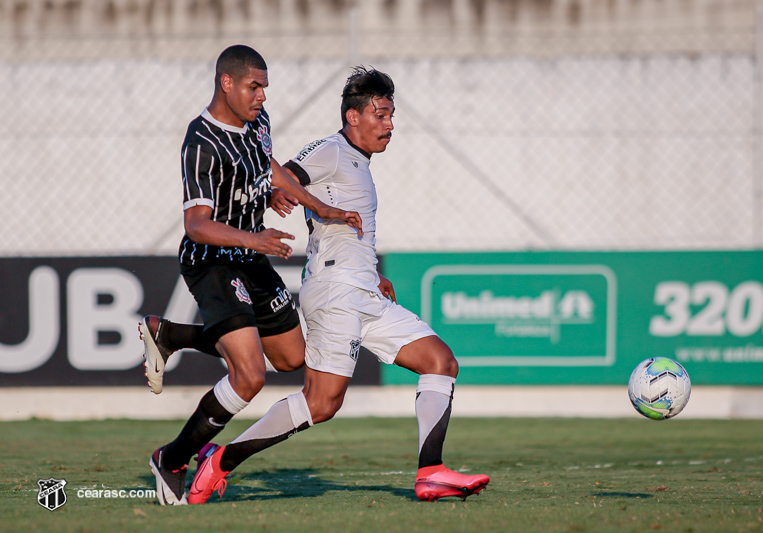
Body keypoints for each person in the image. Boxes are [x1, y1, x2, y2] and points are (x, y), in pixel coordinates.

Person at [181, 66, 490, 504]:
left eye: (391, 115)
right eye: (380, 115)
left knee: (440, 362)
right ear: (352, 117)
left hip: (362, 288)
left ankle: (431, 472)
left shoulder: (357, 162)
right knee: (321, 404)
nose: (389, 125)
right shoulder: (330, 150)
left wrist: (369, 269)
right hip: (335, 291)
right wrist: (285, 198)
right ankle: (220, 460)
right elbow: (282, 174)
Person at [145, 44, 363, 506]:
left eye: (264, 87)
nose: (262, 96)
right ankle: (173, 457)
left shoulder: (257, 120)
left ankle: (173, 334)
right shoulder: (201, 140)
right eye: (254, 86)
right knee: (249, 375)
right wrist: (254, 239)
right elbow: (196, 223)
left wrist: (317, 206)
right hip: (213, 259)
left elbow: (268, 166)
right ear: (227, 83)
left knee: (290, 357)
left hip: (250, 253)